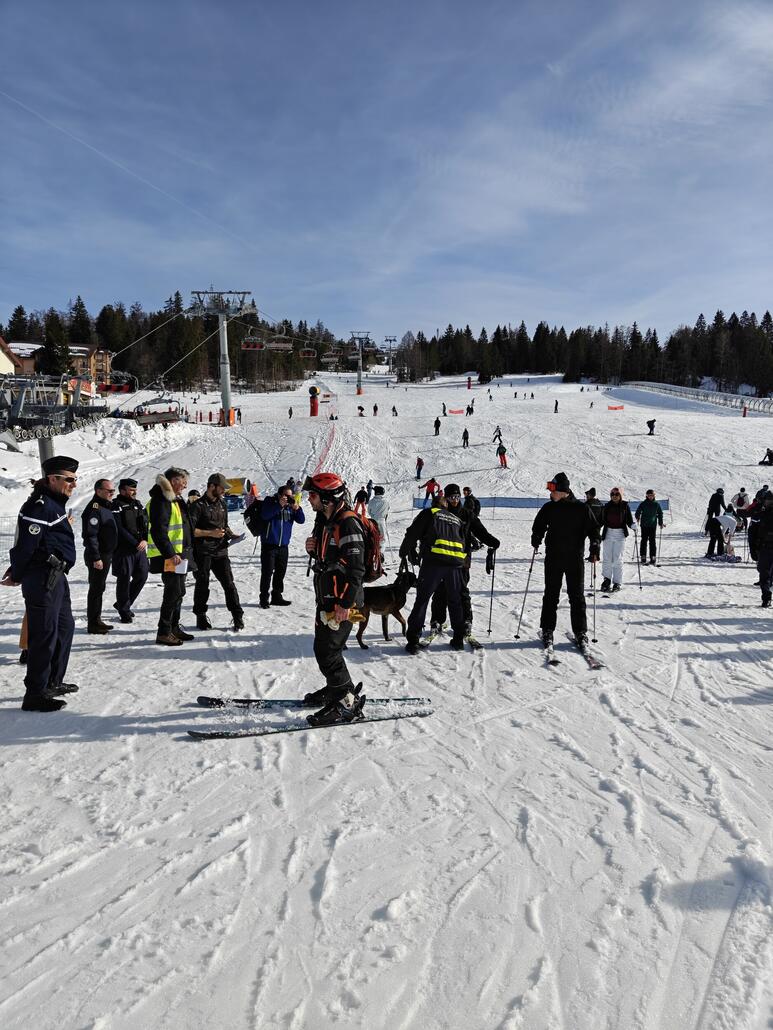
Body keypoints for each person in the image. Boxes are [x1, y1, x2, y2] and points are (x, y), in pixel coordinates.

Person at [3, 455, 80, 711]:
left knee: (65, 628)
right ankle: (35, 694)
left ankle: (52, 681)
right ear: (52, 479)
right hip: (42, 579)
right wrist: (17, 573)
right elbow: (26, 546)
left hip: (57, 576)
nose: (74, 484)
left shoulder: (54, 505)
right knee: (44, 635)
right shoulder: (40, 507)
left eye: (75, 479)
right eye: (69, 479)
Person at [302, 473, 366, 715]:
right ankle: (337, 688)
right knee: (324, 648)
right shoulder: (325, 520)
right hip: (328, 598)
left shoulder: (347, 523)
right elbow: (330, 557)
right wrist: (313, 549)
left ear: (328, 498)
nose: (309, 499)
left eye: (313, 495)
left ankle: (346, 702)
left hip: (343, 601)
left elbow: (356, 569)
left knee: (328, 651)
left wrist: (345, 604)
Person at [530, 472, 600, 647]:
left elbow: (594, 529)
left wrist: (595, 544)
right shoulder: (549, 507)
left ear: (563, 491)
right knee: (551, 595)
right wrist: (536, 536)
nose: (550, 492)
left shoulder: (581, 508)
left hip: (574, 559)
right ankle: (547, 629)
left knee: (576, 596)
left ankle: (580, 632)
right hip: (553, 557)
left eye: (553, 490)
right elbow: (539, 524)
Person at [429, 484, 499, 637]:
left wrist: (493, 542)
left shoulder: (466, 514)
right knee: (440, 590)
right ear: (446, 498)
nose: (454, 500)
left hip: (462, 559)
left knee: (461, 590)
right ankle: (437, 620)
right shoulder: (441, 513)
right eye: (451, 497)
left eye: (457, 497)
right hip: (442, 558)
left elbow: (480, 531)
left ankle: (466, 620)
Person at [400, 495, 468, 652]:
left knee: (422, 600)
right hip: (455, 564)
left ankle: (413, 641)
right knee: (455, 601)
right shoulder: (456, 519)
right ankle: (458, 639)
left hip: (434, 562)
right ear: (446, 506)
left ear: (433, 504)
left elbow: (412, 533)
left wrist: (404, 552)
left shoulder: (430, 513)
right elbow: (464, 542)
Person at [147, 466, 197, 646]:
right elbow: (159, 531)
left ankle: (174, 628)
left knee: (179, 592)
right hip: (170, 556)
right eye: (183, 482)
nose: (185, 486)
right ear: (174, 481)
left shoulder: (175, 499)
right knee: (172, 593)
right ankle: (164, 632)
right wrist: (170, 554)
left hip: (180, 555)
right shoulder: (161, 500)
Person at [189, 473, 244, 630]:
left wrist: (231, 535)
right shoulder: (197, 506)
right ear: (212, 486)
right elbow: (190, 531)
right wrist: (210, 533)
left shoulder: (222, 503)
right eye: (222, 488)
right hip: (203, 553)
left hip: (221, 551)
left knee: (229, 584)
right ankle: (200, 616)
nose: (224, 491)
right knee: (202, 585)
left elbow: (224, 525)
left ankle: (237, 616)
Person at [81, 477, 119, 634]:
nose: (112, 493)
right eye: (109, 491)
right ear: (98, 491)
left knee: (99, 587)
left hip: (105, 554)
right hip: (98, 555)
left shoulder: (105, 506)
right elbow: (91, 535)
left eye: (113, 491)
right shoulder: (94, 509)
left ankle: (96, 620)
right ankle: (93, 623)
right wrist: (96, 557)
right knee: (96, 588)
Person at [259, 484, 305, 608]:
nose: (288, 498)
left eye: (290, 496)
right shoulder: (270, 501)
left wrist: (297, 508)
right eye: (286, 495)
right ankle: (264, 598)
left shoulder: (290, 506)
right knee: (267, 572)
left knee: (280, 572)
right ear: (280, 495)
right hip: (269, 545)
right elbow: (265, 515)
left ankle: (277, 596)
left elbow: (301, 520)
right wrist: (279, 505)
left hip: (284, 546)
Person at [112, 478, 149, 623]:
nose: (134, 492)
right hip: (124, 550)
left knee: (142, 576)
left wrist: (145, 539)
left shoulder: (138, 504)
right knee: (124, 579)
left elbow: (145, 524)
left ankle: (123, 603)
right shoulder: (116, 505)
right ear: (122, 490)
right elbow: (119, 528)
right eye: (131, 490)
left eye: (135, 489)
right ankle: (124, 610)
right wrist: (135, 542)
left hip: (140, 549)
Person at [599, 486, 633, 591]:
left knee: (617, 559)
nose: (614, 496)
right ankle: (607, 579)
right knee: (607, 558)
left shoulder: (625, 506)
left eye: (617, 494)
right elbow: (601, 520)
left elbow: (629, 520)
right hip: (608, 533)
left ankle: (617, 582)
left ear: (620, 495)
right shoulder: (607, 506)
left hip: (620, 534)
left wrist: (632, 525)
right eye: (612, 494)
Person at [635, 489, 664, 565]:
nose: (650, 497)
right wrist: (637, 516)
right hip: (644, 525)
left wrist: (660, 523)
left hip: (652, 525)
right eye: (649, 495)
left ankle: (653, 556)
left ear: (654, 496)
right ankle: (643, 556)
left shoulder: (656, 504)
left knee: (652, 541)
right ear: (647, 496)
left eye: (652, 495)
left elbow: (660, 513)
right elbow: (638, 511)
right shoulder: (643, 504)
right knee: (644, 540)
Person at [754, 491, 773, 605]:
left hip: (766, 548)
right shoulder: (763, 513)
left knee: (764, 574)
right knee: (765, 574)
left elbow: (755, 530)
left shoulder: (763, 513)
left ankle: (766, 598)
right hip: (765, 548)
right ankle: (766, 598)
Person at [705, 488, 727, 558]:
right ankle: (716, 530)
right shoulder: (721, 496)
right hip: (717, 509)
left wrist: (708, 509)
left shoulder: (713, 495)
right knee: (716, 521)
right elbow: (722, 504)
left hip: (711, 508)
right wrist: (726, 509)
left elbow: (710, 502)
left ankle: (707, 530)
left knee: (709, 520)